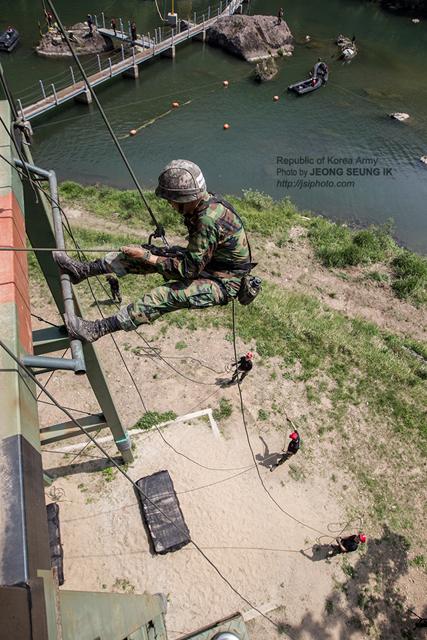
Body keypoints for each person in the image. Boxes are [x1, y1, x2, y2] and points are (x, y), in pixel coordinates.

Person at [54, 159, 253, 343]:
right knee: (143, 254)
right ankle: (85, 270)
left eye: (172, 200)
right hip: (208, 263)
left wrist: (148, 257)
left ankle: (98, 329)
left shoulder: (207, 220)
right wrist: (148, 255)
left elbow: (187, 270)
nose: (171, 205)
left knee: (165, 295)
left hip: (225, 282)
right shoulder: (203, 206)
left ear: (186, 198)